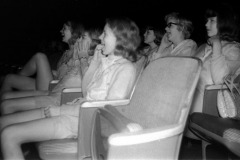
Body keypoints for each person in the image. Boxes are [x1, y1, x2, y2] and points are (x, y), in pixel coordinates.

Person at [0, 17, 141, 160]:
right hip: (73, 113)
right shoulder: (108, 63)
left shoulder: (126, 69)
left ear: (120, 38)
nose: (100, 37)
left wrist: (59, 110)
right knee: (4, 124)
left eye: (105, 34)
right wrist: (94, 63)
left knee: (9, 134)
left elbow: (105, 109)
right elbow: (86, 92)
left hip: (81, 123)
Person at [0, 28, 102, 115]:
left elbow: (87, 89)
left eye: (82, 37)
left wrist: (80, 59)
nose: (78, 40)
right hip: (54, 90)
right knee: (7, 91)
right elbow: (66, 77)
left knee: (40, 57)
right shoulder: (71, 55)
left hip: (56, 95)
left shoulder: (91, 61)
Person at [187, 3, 240, 139]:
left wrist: (217, 46)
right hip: (185, 96)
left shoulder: (233, 50)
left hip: (207, 106)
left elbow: (220, 80)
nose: (206, 25)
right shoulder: (202, 47)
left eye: (211, 21)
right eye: (206, 21)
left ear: (224, 23)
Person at [0, 21, 84, 97]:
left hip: (55, 90)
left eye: (64, 28)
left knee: (40, 57)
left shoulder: (79, 53)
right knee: (9, 78)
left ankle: (20, 74)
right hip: (51, 84)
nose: (61, 31)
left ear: (74, 32)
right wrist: (51, 72)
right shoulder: (65, 53)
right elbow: (60, 73)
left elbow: (74, 78)